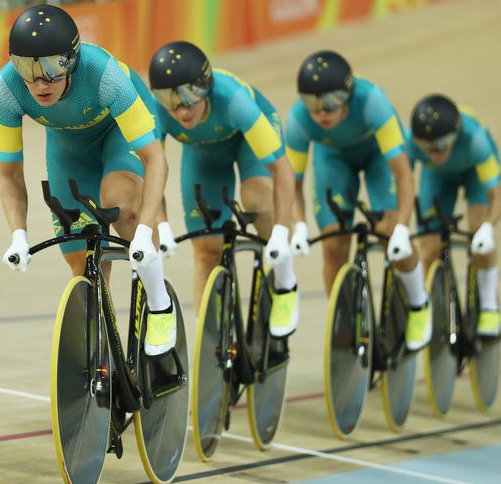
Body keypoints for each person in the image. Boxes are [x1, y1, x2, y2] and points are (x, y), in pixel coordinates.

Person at [0, 5, 175, 356]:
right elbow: (9, 174)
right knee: (80, 259)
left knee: (120, 202)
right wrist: (18, 234)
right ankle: (102, 357)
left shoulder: (103, 74)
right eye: (27, 69)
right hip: (68, 147)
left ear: (72, 61)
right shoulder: (6, 89)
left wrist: (145, 233)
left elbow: (155, 159)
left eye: (49, 69)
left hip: (119, 134)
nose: (39, 83)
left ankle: (159, 302)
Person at [148, 41, 299, 337]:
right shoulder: (158, 110)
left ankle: (285, 282)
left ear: (205, 87)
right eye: (170, 101)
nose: (180, 110)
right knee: (206, 249)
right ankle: (210, 336)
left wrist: (281, 231)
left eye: (189, 98)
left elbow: (282, 169)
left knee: (257, 201)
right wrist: (161, 223)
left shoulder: (234, 101)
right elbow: (152, 170)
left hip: (246, 140)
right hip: (203, 151)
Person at [285, 50, 430, 351]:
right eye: (312, 104)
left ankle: (419, 304)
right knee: (333, 241)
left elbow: (403, 173)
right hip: (333, 159)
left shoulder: (372, 101)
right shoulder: (299, 119)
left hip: (379, 156)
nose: (321, 112)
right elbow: (292, 182)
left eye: (330, 103)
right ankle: (345, 319)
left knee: (390, 231)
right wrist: (298, 222)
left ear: (348, 96)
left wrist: (403, 226)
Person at [409, 94, 500, 336]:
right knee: (428, 249)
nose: (435, 153)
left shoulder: (476, 139)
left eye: (442, 145)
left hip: (474, 175)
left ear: (456, 135)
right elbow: (401, 185)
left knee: (478, 228)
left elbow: (497, 194)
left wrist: (489, 228)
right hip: (437, 178)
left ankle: (490, 305)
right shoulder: (413, 143)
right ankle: (441, 313)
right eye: (428, 148)